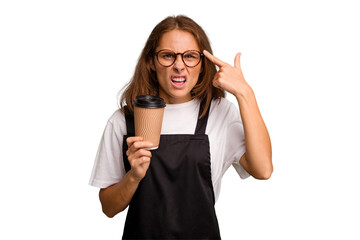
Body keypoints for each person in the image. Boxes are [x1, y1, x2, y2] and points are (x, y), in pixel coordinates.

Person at [89, 15, 273, 239]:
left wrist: (245, 92)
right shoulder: (124, 120)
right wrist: (133, 177)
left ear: (202, 64)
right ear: (151, 62)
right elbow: (108, 208)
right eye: (167, 56)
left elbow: (263, 170)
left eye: (189, 56)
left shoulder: (219, 113)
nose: (179, 66)